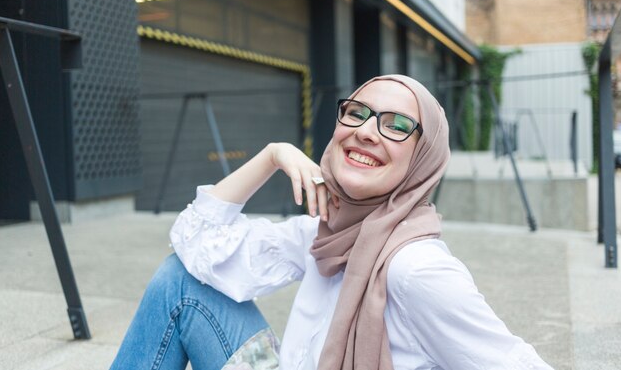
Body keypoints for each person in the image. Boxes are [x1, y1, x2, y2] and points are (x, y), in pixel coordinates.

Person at [109, 74, 554, 370]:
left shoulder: (414, 268)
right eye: (357, 113)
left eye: (397, 125)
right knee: (180, 282)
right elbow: (195, 242)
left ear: (423, 160)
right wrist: (273, 154)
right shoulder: (324, 232)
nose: (366, 131)